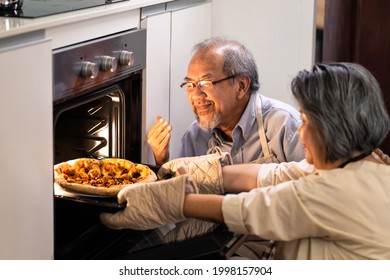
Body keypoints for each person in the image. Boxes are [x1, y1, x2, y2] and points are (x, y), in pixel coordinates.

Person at [101, 62, 390, 259]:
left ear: (333, 127)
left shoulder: (333, 192)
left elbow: (250, 210)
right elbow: (272, 174)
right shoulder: (366, 164)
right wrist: (202, 171)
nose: (300, 131)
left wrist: (172, 201)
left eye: (305, 121)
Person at [147, 36, 305, 166]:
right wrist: (162, 161)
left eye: (205, 83)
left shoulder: (286, 125)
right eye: (190, 84)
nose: (196, 95)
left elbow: (313, 190)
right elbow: (181, 196)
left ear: (241, 86)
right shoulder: (194, 137)